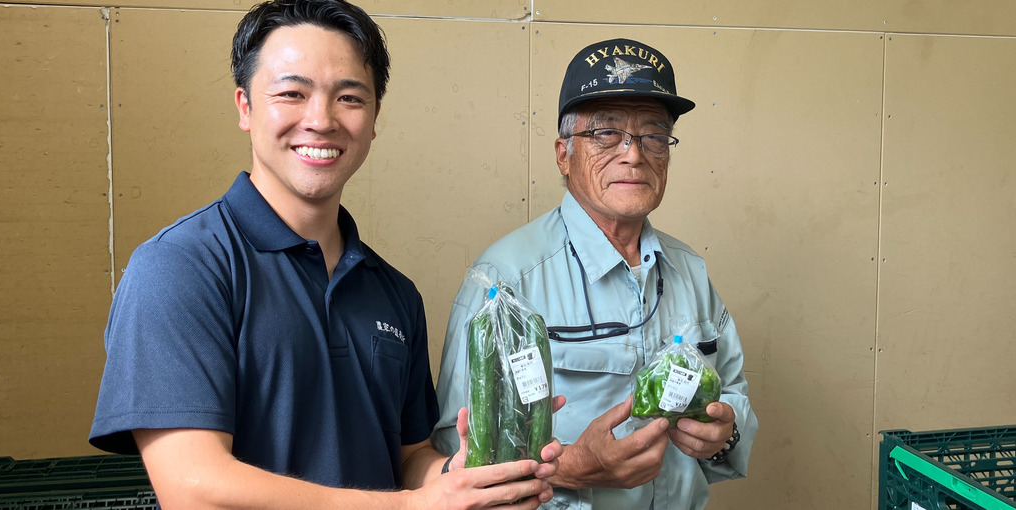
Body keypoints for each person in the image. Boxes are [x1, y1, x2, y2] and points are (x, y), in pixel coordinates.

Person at [88, 0, 560, 507]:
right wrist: (410, 507)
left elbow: (408, 459)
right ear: (245, 107)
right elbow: (194, 490)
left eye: (349, 98)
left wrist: (457, 475)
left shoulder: (394, 292)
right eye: (292, 93)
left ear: (374, 119)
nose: (321, 119)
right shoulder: (180, 267)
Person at [432, 38, 758, 509]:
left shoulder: (690, 271)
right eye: (606, 133)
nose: (634, 155)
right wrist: (568, 465)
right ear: (563, 155)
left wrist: (723, 434)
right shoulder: (507, 280)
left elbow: (734, 398)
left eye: (654, 136)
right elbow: (454, 450)